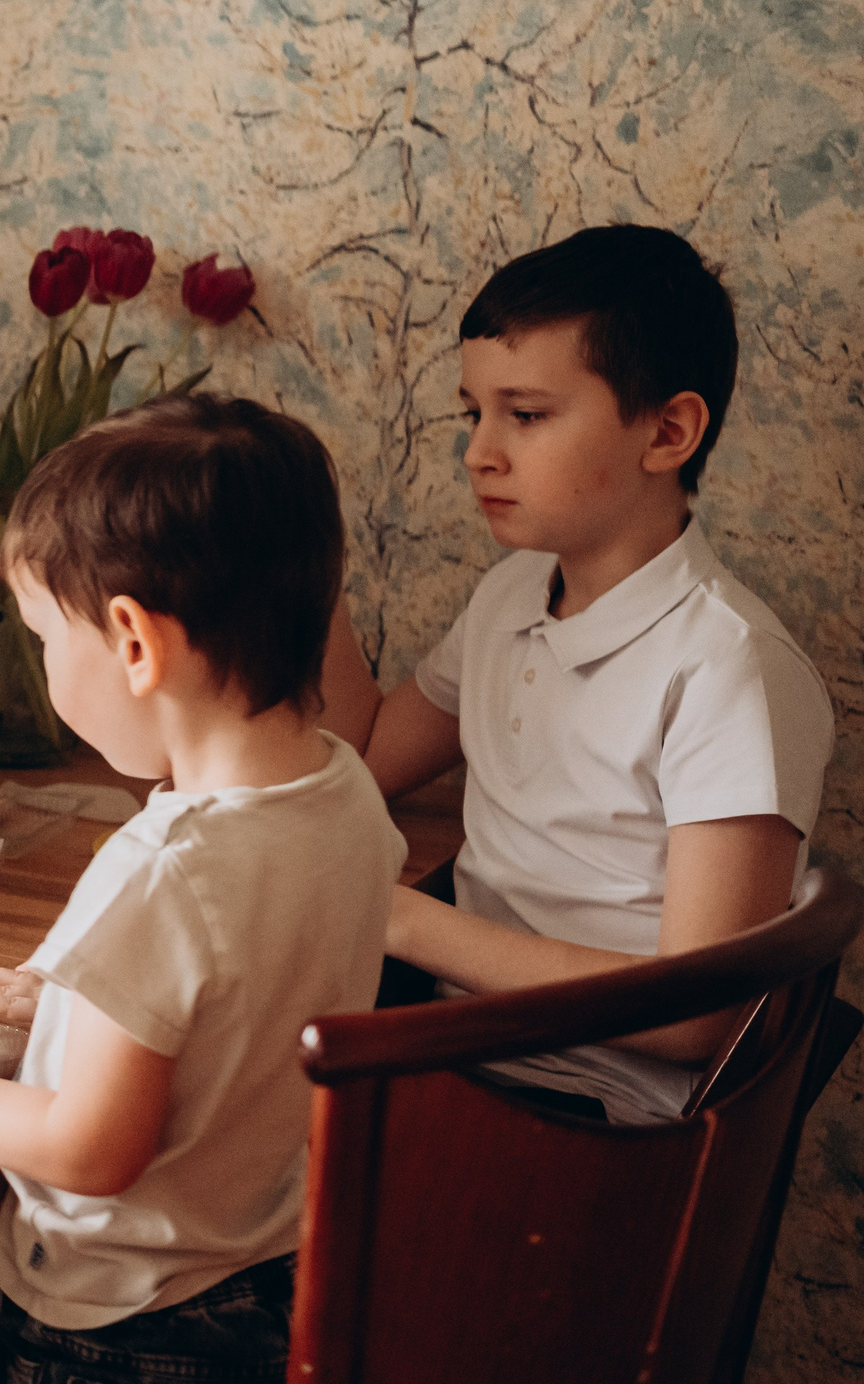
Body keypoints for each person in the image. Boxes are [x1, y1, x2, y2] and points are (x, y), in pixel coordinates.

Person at [0, 395, 405, 1384]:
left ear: (132, 641)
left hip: (119, 1321)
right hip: (261, 1274)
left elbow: (88, 1148)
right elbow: (238, 1000)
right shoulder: (345, 796)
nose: (40, 664)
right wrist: (79, 1004)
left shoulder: (161, 867)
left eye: (40, 636)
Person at [320, 226, 834, 1123]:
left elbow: (698, 1010)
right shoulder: (511, 593)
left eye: (525, 414)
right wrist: (308, 554)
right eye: (471, 413)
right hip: (462, 1060)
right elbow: (359, 756)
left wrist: (404, 921)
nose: (480, 451)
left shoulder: (727, 666)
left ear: (668, 431)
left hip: (588, 1123)